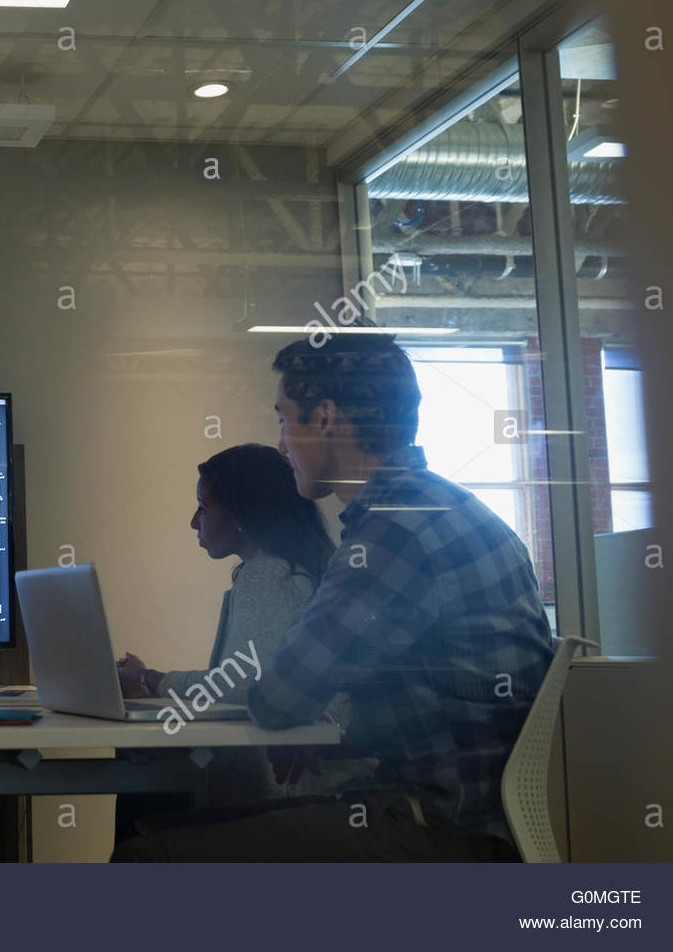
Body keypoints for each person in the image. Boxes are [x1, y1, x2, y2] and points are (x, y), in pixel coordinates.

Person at [113, 335, 555, 861]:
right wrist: (324, 724)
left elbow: (276, 699)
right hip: (456, 819)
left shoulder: (392, 534)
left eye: (283, 418)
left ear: (323, 417)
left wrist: (301, 711)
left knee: (146, 854)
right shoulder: (446, 508)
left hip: (435, 834)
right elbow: (408, 692)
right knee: (160, 828)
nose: (281, 443)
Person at [113, 444, 375, 829]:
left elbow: (239, 686)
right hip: (323, 787)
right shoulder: (298, 570)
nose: (193, 522)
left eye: (203, 507)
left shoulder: (267, 576)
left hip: (290, 797)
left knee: (145, 799)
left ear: (239, 514)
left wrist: (147, 679)